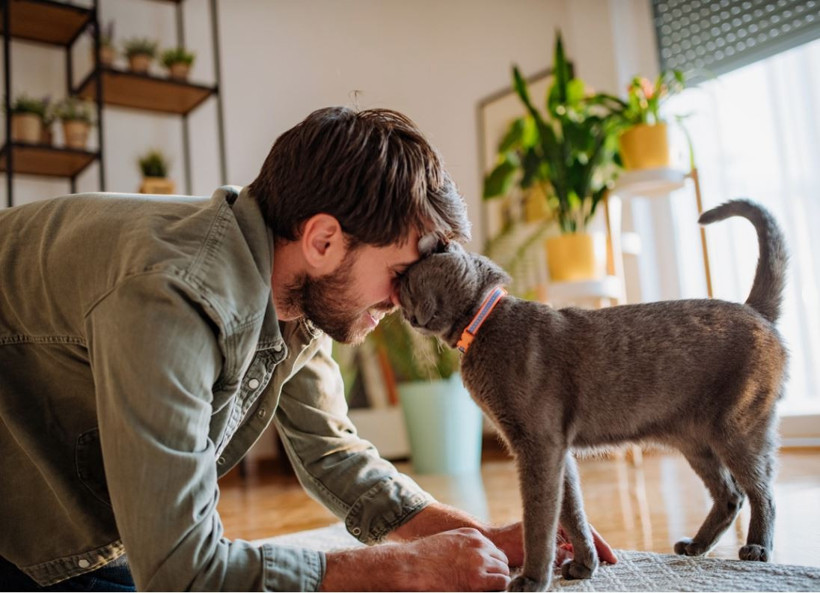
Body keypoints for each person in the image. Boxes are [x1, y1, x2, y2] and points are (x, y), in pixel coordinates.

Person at [0, 106, 615, 591]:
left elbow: (332, 453)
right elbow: (182, 573)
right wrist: (406, 572)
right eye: (399, 273)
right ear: (323, 239)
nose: (405, 302)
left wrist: (480, 535)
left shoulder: (293, 291)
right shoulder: (172, 299)